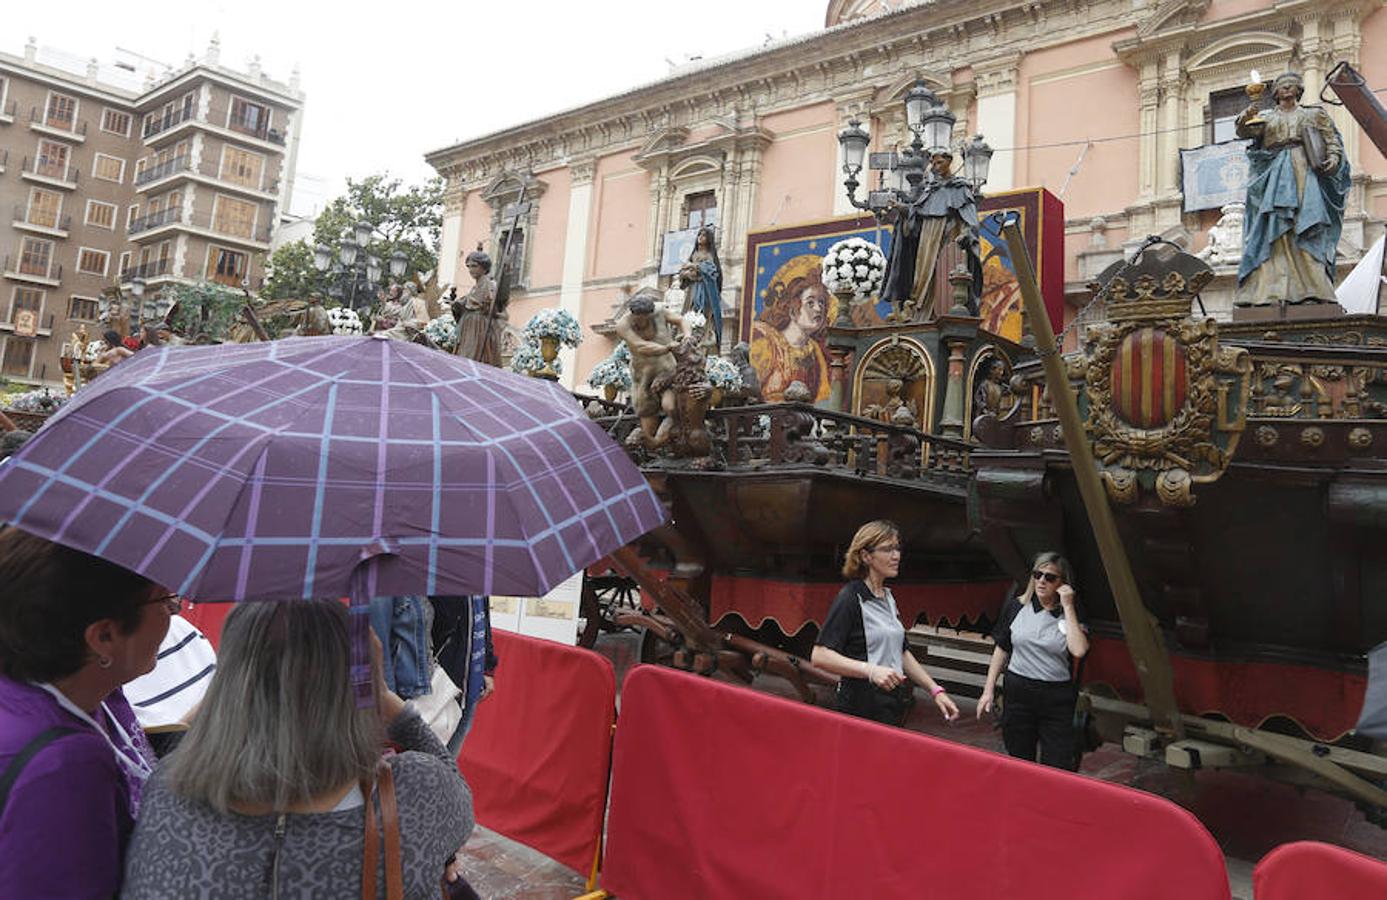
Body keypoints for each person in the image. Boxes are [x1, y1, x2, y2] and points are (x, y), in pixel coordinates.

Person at [122, 598, 475, 898]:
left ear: (228, 682)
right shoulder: (417, 794)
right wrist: (385, 700)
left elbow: (187, 739)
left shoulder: (167, 792)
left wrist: (224, 694)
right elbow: (456, 792)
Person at [0, 527, 171, 897]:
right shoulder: (65, 763)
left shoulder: (96, 696)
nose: (172, 613)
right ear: (104, 636)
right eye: (164, 601)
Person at [811, 520, 960, 726]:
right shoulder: (851, 597)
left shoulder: (887, 597)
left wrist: (935, 690)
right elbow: (819, 656)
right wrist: (871, 670)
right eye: (888, 549)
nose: (896, 555)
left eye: (897, 548)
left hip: (891, 703)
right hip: (861, 705)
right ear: (866, 556)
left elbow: (901, 651)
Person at [1235, 71, 1350, 307]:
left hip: (1303, 170)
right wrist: (1251, 108)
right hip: (1274, 173)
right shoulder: (1264, 116)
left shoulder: (1313, 114)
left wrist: (1334, 158)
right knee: (1272, 229)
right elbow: (1243, 131)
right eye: (1282, 86)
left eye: (1291, 85)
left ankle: (1314, 290)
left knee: (1306, 225)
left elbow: (1331, 141)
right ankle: (1267, 292)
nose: (1287, 89)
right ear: (1275, 93)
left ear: (1299, 90)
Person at [978, 552, 1090, 770]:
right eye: (1037, 574)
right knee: (1018, 758)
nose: (1041, 581)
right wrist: (988, 690)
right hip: (1018, 691)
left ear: (1062, 583)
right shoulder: (1017, 606)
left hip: (1055, 696)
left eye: (1050, 577)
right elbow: (1001, 648)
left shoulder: (1070, 614)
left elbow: (1079, 650)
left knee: (1057, 762)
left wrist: (1068, 606)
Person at [881, 150, 983, 319]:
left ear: (949, 161)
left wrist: (966, 233)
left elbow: (969, 218)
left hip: (949, 237)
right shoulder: (931, 190)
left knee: (946, 273)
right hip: (927, 240)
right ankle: (920, 312)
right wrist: (901, 208)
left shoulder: (960, 188)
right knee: (922, 277)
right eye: (933, 164)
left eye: (939, 163)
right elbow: (917, 214)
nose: (935, 167)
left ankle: (946, 311)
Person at [613, 289, 685, 446]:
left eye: (647, 317)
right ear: (633, 315)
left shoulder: (659, 311)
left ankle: (672, 438)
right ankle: (654, 450)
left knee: (670, 407)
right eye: (640, 318)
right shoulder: (623, 325)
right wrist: (666, 347)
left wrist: (687, 336)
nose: (644, 321)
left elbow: (681, 320)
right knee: (647, 418)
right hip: (643, 377)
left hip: (667, 373)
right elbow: (640, 346)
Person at [430, 595, 499, 756]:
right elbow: (439, 625)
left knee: (452, 754)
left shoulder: (479, 576)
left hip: (471, 681)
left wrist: (488, 667)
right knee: (435, 753)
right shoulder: (446, 578)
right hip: (445, 680)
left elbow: (483, 619)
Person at [750, 273, 831, 402]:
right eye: (810, 303)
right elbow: (749, 391)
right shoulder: (766, 340)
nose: (818, 309)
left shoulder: (815, 352)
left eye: (821, 303)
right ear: (793, 310)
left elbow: (823, 400)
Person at [452, 245, 504, 366]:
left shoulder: (489, 284)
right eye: (469, 266)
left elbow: (495, 304)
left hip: (479, 327)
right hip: (469, 327)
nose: (471, 270)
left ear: (484, 267)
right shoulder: (475, 287)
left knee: (471, 359)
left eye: (474, 266)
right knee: (465, 357)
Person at [680, 225, 724, 348]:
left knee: (703, 312)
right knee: (690, 310)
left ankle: (702, 334)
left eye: (704, 235)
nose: (701, 237)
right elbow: (683, 274)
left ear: (708, 239)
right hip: (692, 290)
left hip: (705, 290)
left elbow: (711, 271)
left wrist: (694, 267)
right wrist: (686, 274)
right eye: (699, 235)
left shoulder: (709, 255)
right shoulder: (693, 255)